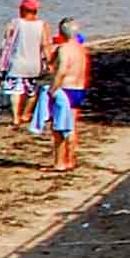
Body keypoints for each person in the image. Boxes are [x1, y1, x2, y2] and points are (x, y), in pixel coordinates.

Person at [40, 18, 88, 173]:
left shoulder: (64, 49)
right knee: (71, 126)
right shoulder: (81, 49)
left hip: (65, 89)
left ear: (61, 32)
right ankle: (71, 160)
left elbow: (62, 70)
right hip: (78, 89)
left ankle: (59, 162)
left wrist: (53, 89)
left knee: (59, 128)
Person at [0, 0, 47, 130]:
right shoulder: (42, 25)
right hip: (34, 65)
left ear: (22, 10)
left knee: (15, 92)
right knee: (32, 92)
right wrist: (49, 62)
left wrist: (1, 63)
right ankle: (26, 113)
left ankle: (16, 118)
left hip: (17, 64)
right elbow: (45, 45)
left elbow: (6, 43)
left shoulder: (15, 23)